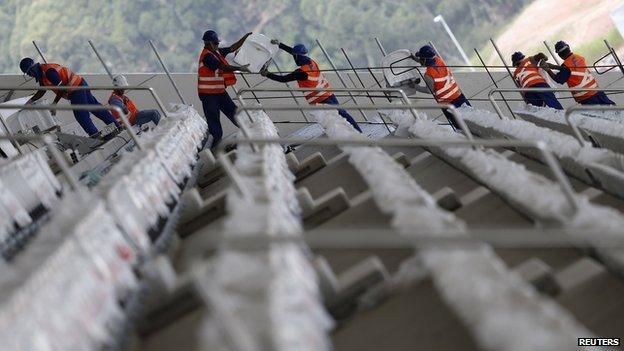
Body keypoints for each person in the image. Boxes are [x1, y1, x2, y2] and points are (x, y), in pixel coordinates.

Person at [260, 40, 362, 133]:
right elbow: (295, 52)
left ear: (297, 57)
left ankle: (349, 135)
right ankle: (358, 132)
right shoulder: (311, 62)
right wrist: (280, 45)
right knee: (343, 114)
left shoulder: (301, 72)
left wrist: (267, 74)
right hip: (328, 94)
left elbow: (283, 79)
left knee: (328, 119)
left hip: (320, 100)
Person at [19, 57, 119, 136]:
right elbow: (41, 91)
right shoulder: (42, 74)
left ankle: (95, 135)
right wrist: (29, 102)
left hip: (76, 88)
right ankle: (116, 126)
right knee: (95, 107)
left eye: (28, 73)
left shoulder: (49, 72)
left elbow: (62, 88)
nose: (29, 76)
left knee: (80, 114)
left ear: (32, 70)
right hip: (80, 84)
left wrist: (54, 104)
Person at [198, 30, 251, 148]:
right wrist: (240, 68)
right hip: (208, 95)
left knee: (236, 113)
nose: (217, 45)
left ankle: (251, 135)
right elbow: (223, 67)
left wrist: (245, 38)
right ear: (210, 43)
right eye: (216, 43)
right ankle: (213, 151)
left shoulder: (216, 52)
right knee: (215, 125)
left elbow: (232, 48)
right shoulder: (207, 56)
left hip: (219, 92)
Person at [411, 45, 470, 130]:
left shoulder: (428, 75)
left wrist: (415, 86)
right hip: (459, 96)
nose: (419, 60)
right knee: (471, 119)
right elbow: (425, 61)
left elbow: (429, 91)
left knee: (460, 126)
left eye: (420, 58)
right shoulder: (439, 61)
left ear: (424, 59)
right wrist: (414, 58)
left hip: (448, 103)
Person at [540, 41, 615, 106]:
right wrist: (555, 67)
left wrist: (548, 70)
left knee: (598, 116)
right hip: (597, 91)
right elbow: (573, 69)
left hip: (587, 97)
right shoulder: (578, 57)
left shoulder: (566, 66)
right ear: (568, 48)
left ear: (559, 55)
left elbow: (559, 79)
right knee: (611, 108)